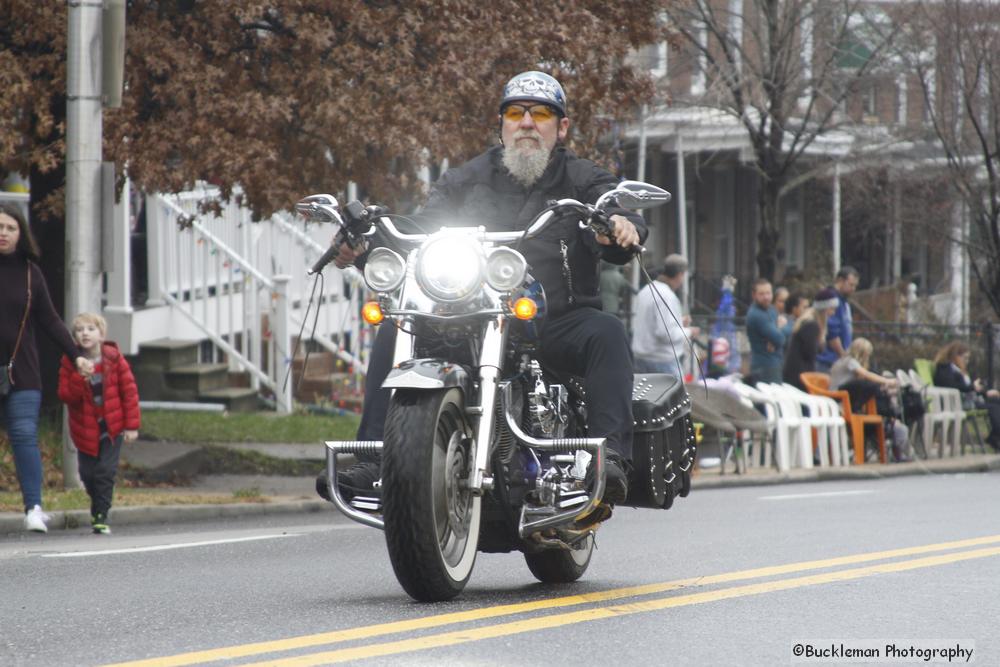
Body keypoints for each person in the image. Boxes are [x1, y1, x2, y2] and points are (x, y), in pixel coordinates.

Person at [319, 71, 645, 511]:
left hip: (556, 321)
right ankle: (375, 459)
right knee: (397, 329)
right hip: (470, 318)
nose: (527, 122)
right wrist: (364, 243)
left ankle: (610, 461)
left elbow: (615, 206)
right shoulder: (465, 179)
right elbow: (418, 227)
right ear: (502, 124)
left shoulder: (582, 178)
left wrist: (622, 226)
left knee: (606, 332)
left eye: (542, 113)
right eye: (516, 112)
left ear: (561, 127)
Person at [0, 203, 93, 533]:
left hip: (21, 372)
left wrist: (76, 354)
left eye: (10, 228)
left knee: (24, 435)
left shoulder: (30, 273)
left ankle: (33, 508)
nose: (3, 233)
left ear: (20, 234)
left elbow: (50, 321)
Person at [58, 312, 141, 534]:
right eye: (80, 330)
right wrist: (79, 377)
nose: (85, 333)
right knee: (87, 474)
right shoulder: (69, 362)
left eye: (91, 329)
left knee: (105, 471)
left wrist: (132, 426)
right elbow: (66, 395)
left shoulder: (113, 358)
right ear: (74, 336)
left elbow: (129, 392)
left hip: (112, 428)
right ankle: (99, 502)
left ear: (101, 334)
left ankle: (100, 514)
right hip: (85, 430)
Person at [829, 338, 911, 462]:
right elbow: (866, 375)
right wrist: (886, 381)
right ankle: (881, 410)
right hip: (839, 398)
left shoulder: (842, 361)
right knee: (869, 385)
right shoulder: (850, 362)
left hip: (842, 396)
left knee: (868, 386)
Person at [631, 254, 699, 377]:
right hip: (662, 361)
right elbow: (666, 334)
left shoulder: (647, 290)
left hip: (640, 358)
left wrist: (678, 322)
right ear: (680, 275)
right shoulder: (667, 296)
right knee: (675, 397)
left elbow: (650, 322)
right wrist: (689, 331)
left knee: (645, 396)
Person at [933, 342, 1000, 451]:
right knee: (994, 408)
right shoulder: (945, 369)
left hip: (969, 400)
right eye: (965, 358)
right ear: (955, 356)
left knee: (996, 400)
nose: (966, 361)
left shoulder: (957, 370)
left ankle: (995, 436)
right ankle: (996, 437)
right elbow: (952, 386)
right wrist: (973, 387)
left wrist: (985, 392)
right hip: (958, 403)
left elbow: (967, 387)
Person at [782, 288, 839, 391]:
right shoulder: (811, 325)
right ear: (824, 309)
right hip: (799, 376)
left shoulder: (810, 322)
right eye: (832, 309)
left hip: (795, 374)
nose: (833, 313)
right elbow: (810, 354)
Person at [816, 266, 860, 372]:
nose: (853, 289)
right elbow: (832, 333)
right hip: (828, 360)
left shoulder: (844, 301)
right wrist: (843, 356)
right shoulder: (833, 300)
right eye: (851, 285)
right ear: (840, 281)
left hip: (837, 359)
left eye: (855, 286)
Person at [746, 278, 785, 383]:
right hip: (764, 368)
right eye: (761, 294)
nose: (766, 297)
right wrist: (779, 328)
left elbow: (782, 332)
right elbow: (780, 339)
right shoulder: (756, 315)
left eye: (768, 293)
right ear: (754, 295)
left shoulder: (771, 309)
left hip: (775, 363)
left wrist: (777, 330)